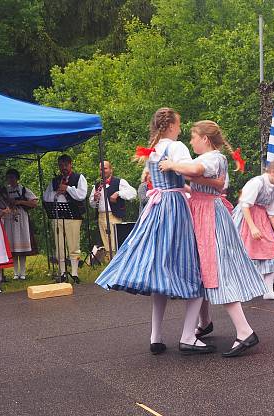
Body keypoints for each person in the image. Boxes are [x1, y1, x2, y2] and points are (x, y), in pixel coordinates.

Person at [95, 107, 211, 356]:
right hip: (174, 208)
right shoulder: (176, 147)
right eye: (178, 124)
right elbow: (190, 171)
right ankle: (188, 336)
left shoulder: (153, 150)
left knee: (160, 271)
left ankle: (156, 337)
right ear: (170, 125)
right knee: (194, 268)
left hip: (156, 209)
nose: (180, 128)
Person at [159, 120, 266, 357]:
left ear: (205, 139)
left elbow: (196, 172)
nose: (191, 141)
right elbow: (209, 184)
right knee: (206, 270)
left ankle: (245, 331)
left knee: (215, 270)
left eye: (194, 137)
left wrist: (172, 165)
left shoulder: (211, 159)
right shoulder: (216, 159)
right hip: (205, 211)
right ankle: (205, 322)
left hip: (208, 216)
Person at [232, 159, 274, 301]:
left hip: (262, 218)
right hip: (247, 218)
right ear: (272, 171)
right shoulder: (257, 182)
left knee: (270, 249)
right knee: (246, 252)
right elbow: (245, 205)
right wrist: (252, 227)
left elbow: (272, 214)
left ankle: (268, 291)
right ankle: (241, 289)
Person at [43, 154, 87, 279]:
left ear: (70, 164)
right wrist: (56, 192)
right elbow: (46, 197)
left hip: (73, 215)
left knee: (73, 245)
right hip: (57, 215)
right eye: (61, 165)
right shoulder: (54, 181)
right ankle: (62, 272)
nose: (63, 168)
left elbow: (81, 195)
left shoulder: (79, 177)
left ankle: (74, 273)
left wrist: (67, 188)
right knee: (59, 245)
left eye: (66, 165)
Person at [90, 161, 136, 254]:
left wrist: (118, 193)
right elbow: (92, 204)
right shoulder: (97, 184)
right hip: (101, 216)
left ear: (111, 170)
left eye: (105, 168)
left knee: (115, 242)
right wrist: (94, 199)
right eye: (101, 169)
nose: (103, 171)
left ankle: (117, 263)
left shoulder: (119, 182)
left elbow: (133, 193)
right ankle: (110, 262)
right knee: (106, 243)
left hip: (113, 215)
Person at [5, 169, 38, 280]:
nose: (11, 180)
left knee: (22, 244)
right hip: (9, 218)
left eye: (13, 177)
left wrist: (20, 202)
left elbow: (34, 202)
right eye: (9, 177)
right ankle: (15, 272)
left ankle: (23, 272)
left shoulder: (23, 189)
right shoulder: (6, 191)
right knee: (13, 245)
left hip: (22, 218)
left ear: (17, 178)